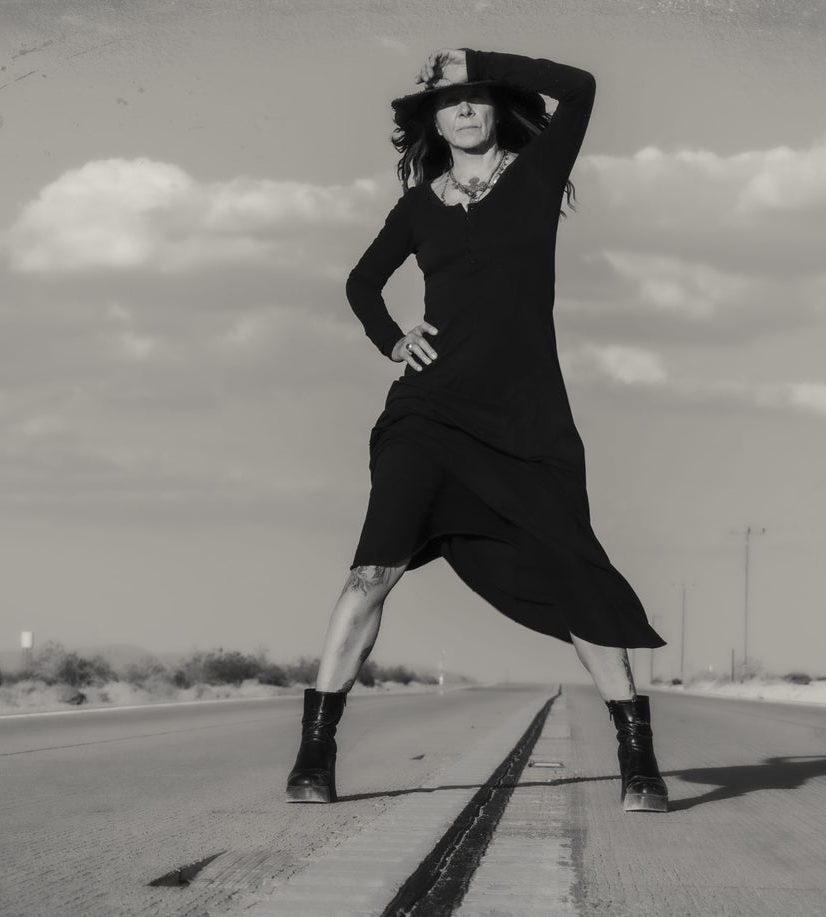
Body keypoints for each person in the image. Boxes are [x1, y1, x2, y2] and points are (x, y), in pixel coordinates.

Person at [284, 48, 669, 813]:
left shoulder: (535, 176)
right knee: (370, 574)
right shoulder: (419, 205)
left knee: (574, 575)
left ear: (496, 108)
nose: (462, 108)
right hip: (426, 414)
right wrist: (392, 339)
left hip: (526, 421)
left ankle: (638, 759)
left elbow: (583, 87)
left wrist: (481, 57)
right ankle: (314, 754)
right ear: (431, 120)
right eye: (447, 100)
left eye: (475, 96)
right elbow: (362, 282)